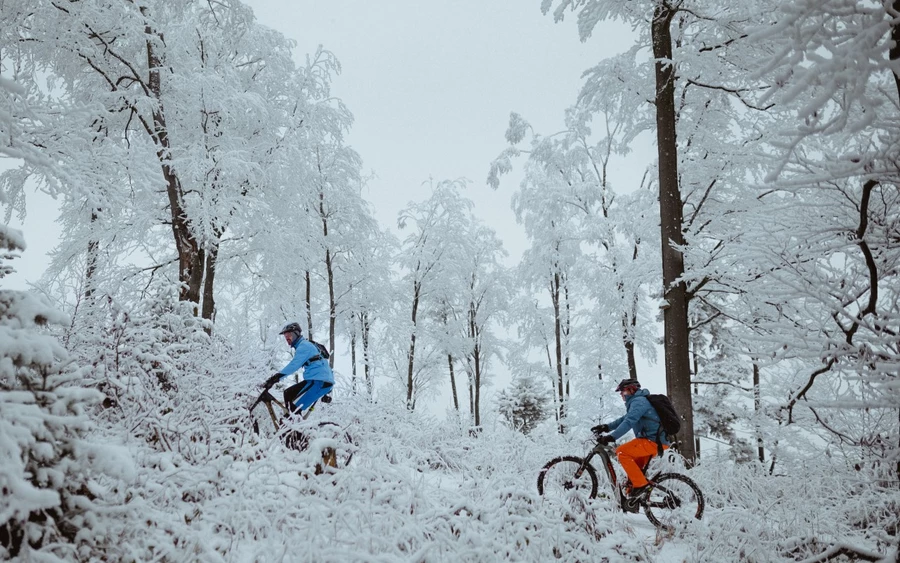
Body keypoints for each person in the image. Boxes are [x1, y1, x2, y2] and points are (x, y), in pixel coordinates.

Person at [591, 378, 670, 508]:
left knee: (622, 452)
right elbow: (625, 419)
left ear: (631, 390)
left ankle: (641, 486)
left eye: (623, 391)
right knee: (634, 473)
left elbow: (629, 422)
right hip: (653, 441)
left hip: (652, 441)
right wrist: (606, 427)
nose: (621, 394)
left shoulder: (639, 402)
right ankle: (634, 500)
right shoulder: (637, 402)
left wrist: (612, 437)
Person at [261, 322, 334, 415]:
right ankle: (289, 422)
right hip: (317, 381)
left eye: (289, 334)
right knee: (287, 393)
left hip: (318, 382)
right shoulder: (304, 345)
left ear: (296, 334)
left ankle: (294, 426)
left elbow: (293, 366)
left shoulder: (304, 346)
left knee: (295, 407)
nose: (287, 338)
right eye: (285, 336)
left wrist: (275, 378)